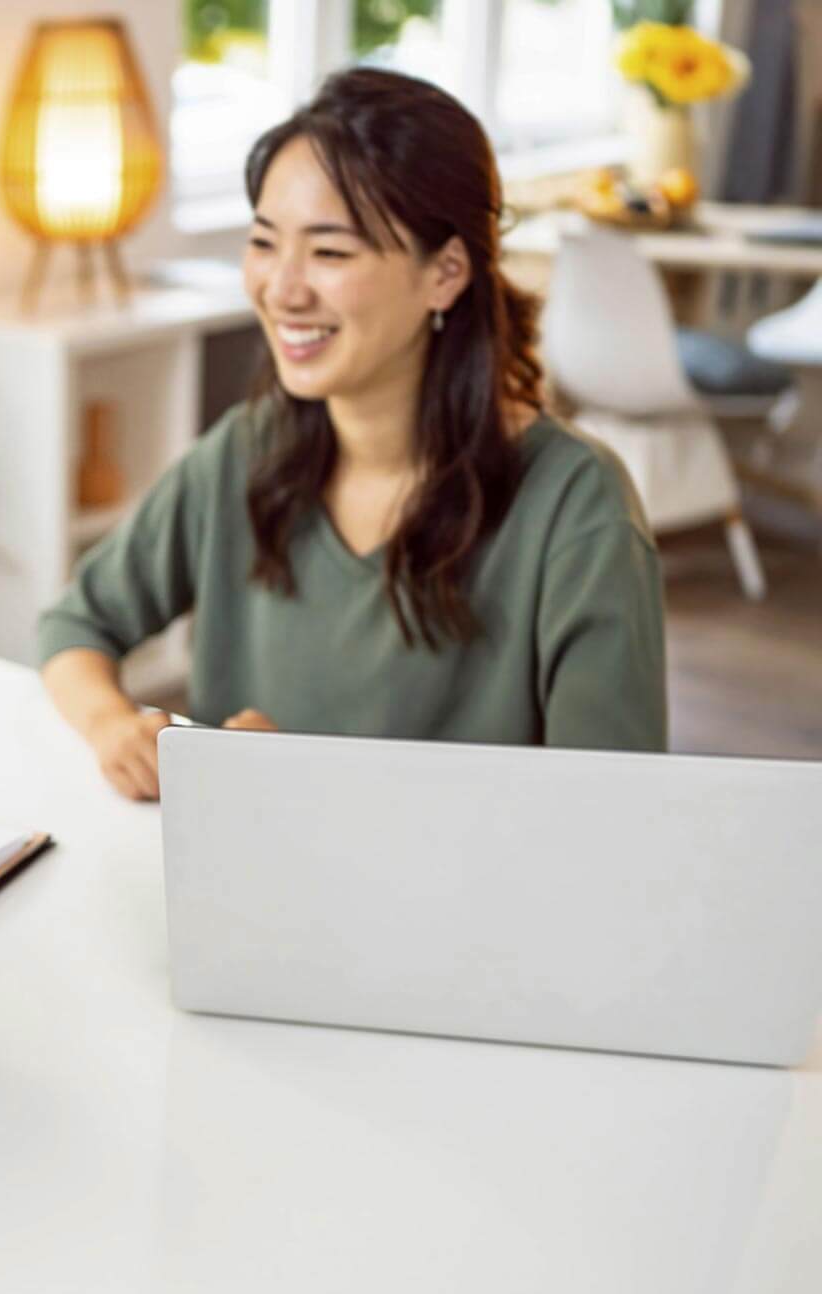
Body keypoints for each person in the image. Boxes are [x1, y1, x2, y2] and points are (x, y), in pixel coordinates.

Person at [38, 69, 667, 800]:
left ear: (446, 273)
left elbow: (614, 816)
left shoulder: (577, 507)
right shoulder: (246, 452)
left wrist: (315, 788)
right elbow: (74, 625)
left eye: (331, 253)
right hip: (234, 885)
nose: (283, 287)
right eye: (265, 242)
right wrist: (114, 724)